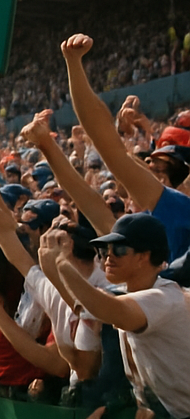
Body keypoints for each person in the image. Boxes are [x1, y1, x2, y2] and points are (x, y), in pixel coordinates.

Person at [61, 34, 190, 261]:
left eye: (159, 170)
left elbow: (113, 153)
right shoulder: (173, 212)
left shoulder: (178, 211)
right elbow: (111, 150)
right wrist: (73, 64)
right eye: (150, 164)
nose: (148, 169)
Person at [56, 213, 190, 419]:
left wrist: (62, 263)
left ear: (143, 256)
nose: (109, 256)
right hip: (172, 418)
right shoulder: (126, 294)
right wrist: (119, 407)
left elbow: (108, 309)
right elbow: (87, 304)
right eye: (104, 250)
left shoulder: (164, 297)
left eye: (119, 249)